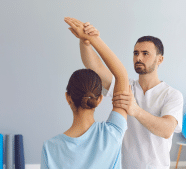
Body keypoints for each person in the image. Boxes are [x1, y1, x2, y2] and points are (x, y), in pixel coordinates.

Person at [80, 22, 184, 169]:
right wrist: (85, 42)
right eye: (136, 53)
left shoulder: (172, 95)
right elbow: (95, 67)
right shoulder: (125, 86)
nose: (138, 58)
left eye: (145, 53)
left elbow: (167, 130)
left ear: (160, 59)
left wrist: (135, 110)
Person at [40, 17, 130, 169]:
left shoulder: (50, 148)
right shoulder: (112, 134)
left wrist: (86, 41)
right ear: (99, 99)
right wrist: (92, 39)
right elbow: (121, 75)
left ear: (68, 97)